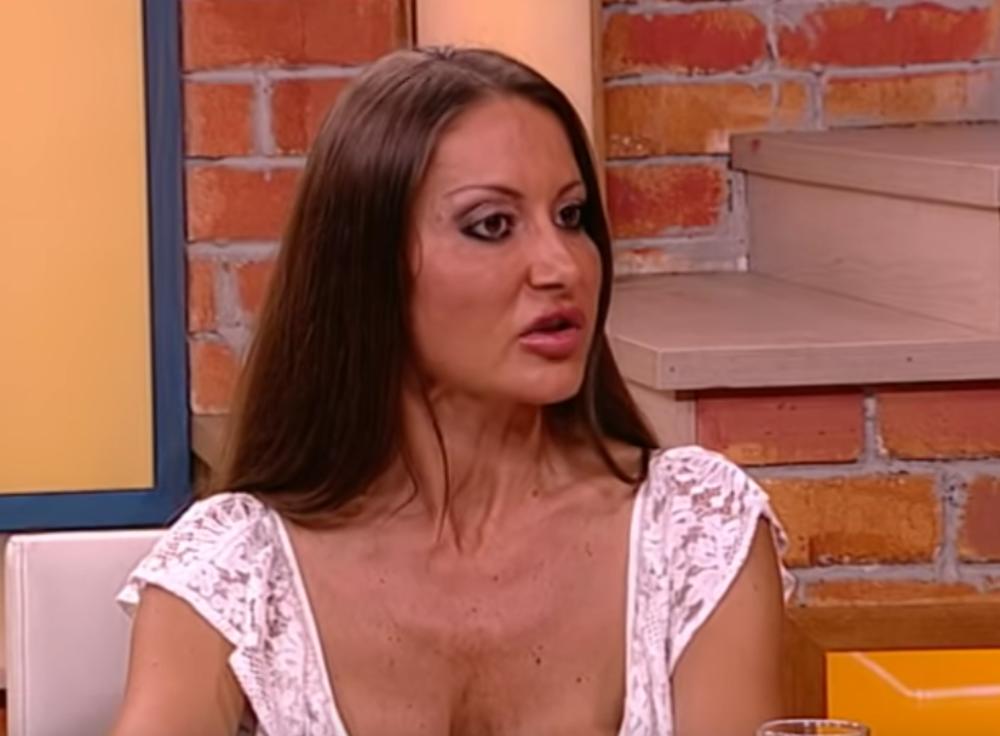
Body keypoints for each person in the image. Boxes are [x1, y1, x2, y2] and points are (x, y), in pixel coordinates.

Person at [111, 47, 792, 736]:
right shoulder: (236, 571)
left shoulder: (696, 530)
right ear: (368, 268)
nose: (560, 265)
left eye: (571, 216)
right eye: (492, 225)